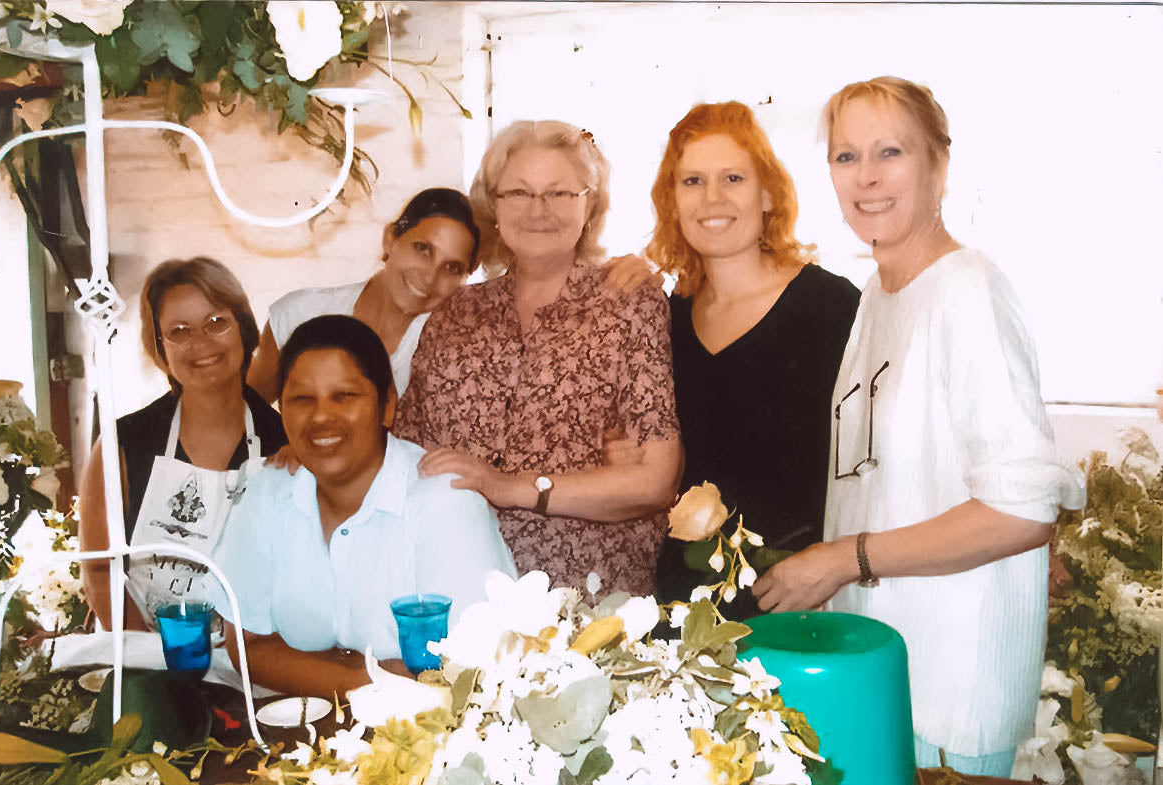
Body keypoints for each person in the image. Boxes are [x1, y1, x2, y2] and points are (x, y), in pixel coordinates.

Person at [750, 77, 1085, 775]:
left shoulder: (967, 290)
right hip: (882, 674)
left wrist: (845, 558)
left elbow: (1022, 509)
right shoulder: (879, 292)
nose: (866, 178)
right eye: (846, 157)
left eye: (890, 152)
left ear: (939, 164)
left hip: (950, 695)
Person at [393, 120, 684, 597]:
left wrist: (508, 485)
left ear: (589, 203)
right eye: (519, 193)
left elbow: (653, 482)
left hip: (584, 597)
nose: (539, 211)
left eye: (560, 193)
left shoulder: (627, 300)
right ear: (494, 206)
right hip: (457, 581)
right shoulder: (453, 314)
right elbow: (404, 457)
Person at [212, 315, 515, 698]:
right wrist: (367, 676)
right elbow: (247, 645)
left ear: (387, 406)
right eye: (302, 400)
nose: (321, 416)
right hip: (296, 731)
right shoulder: (267, 490)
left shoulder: (444, 501)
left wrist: (306, 665)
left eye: (345, 397)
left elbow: (463, 675)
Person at [645, 102, 859, 618]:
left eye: (732, 178)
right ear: (672, 202)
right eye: (692, 181)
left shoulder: (830, 308)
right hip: (685, 603)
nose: (712, 198)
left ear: (768, 194)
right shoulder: (666, 319)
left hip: (800, 600)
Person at [79, 257, 287, 631]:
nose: (201, 342)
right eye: (179, 330)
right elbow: (98, 570)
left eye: (216, 322)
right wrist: (154, 657)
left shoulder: (284, 441)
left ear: (244, 328)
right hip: (146, 657)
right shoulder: (122, 444)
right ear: (160, 348)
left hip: (257, 658)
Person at [247, 188, 481, 402]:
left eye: (452, 268)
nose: (430, 278)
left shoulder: (455, 355)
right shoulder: (300, 314)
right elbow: (249, 420)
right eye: (422, 249)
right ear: (390, 239)